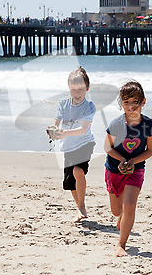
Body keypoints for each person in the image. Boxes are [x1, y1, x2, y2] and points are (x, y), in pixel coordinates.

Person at [104, 81, 152, 257]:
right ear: (121, 104)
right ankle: (120, 218)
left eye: (134, 102)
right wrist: (121, 160)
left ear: (143, 102)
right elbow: (107, 147)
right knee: (116, 210)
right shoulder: (116, 124)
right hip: (114, 168)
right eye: (126, 102)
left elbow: (150, 150)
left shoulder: (149, 125)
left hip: (136, 169)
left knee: (129, 205)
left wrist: (133, 161)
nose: (130, 106)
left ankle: (121, 244)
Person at [49, 67, 96, 222]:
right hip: (68, 146)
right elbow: (55, 124)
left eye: (81, 89)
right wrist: (53, 131)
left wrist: (64, 133)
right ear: (69, 88)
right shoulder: (63, 104)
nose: (77, 93)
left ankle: (81, 206)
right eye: (73, 90)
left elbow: (83, 129)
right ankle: (79, 209)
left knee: (78, 170)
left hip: (85, 143)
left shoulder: (89, 106)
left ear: (87, 88)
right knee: (69, 183)